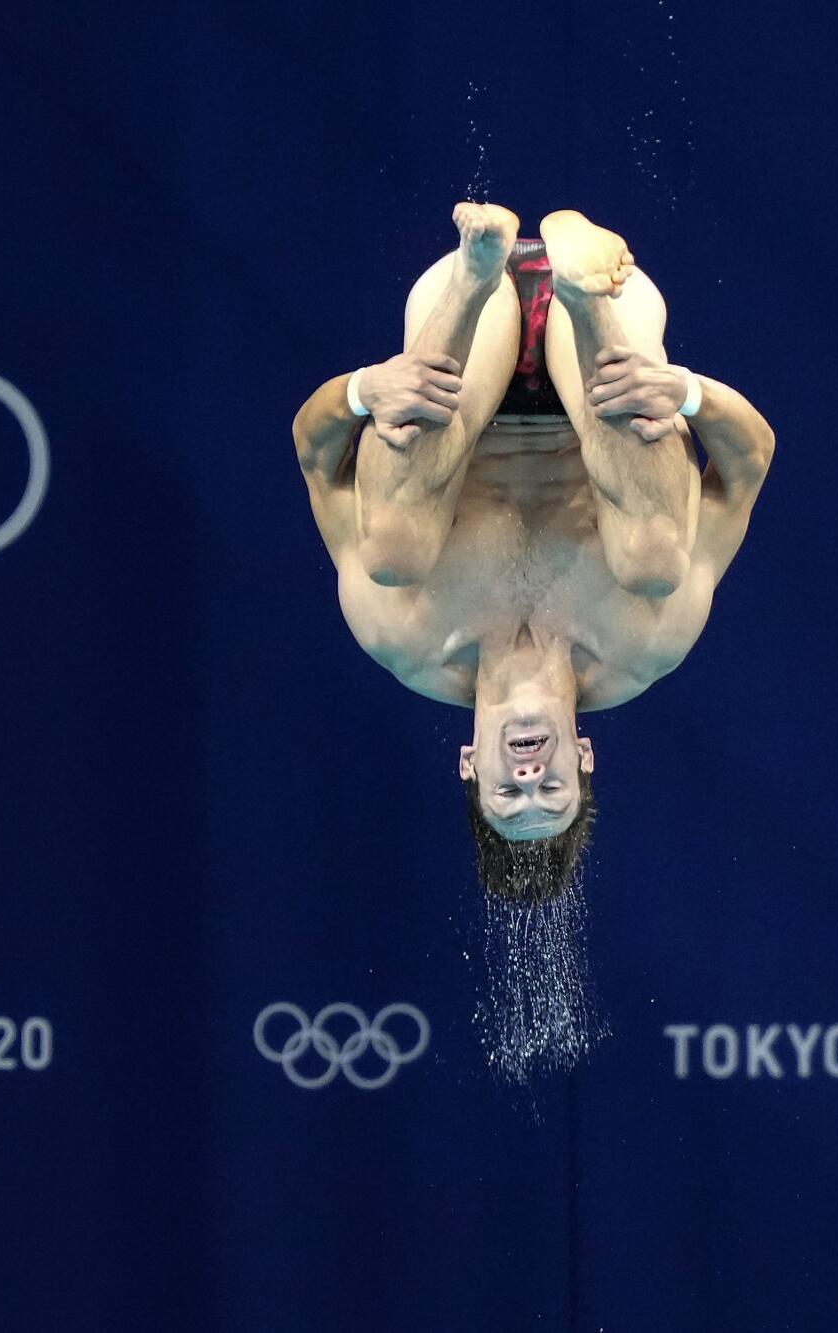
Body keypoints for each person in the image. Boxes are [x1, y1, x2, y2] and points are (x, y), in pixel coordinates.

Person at [291, 205, 775, 902]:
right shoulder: (645, 644)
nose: (529, 777)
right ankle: (577, 288)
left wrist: (368, 390)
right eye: (551, 789)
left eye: (508, 792)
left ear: (468, 764)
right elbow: (750, 461)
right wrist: (690, 397)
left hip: (464, 332)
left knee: (392, 550)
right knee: (654, 560)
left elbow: (314, 451)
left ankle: (477, 267)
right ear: (584, 757)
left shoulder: (402, 633)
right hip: (602, 343)